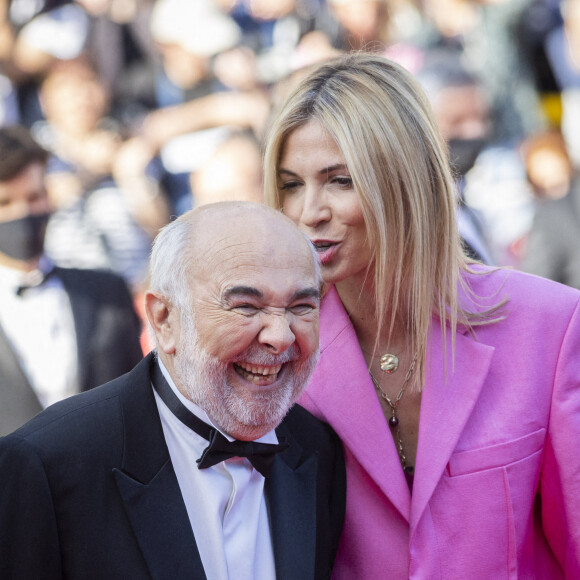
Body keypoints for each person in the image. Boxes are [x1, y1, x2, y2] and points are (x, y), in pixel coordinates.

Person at [263, 53, 580, 578]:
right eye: (292, 184)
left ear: (403, 176)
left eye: (340, 180)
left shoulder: (549, 324)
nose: (308, 211)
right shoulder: (279, 350)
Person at [0, 201, 346, 579]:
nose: (280, 336)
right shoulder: (49, 466)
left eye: (301, 306)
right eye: (246, 306)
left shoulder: (318, 451)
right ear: (164, 319)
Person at [0, 125, 143, 436]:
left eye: (34, 197)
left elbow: (140, 406)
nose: (24, 212)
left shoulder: (108, 293)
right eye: (5, 203)